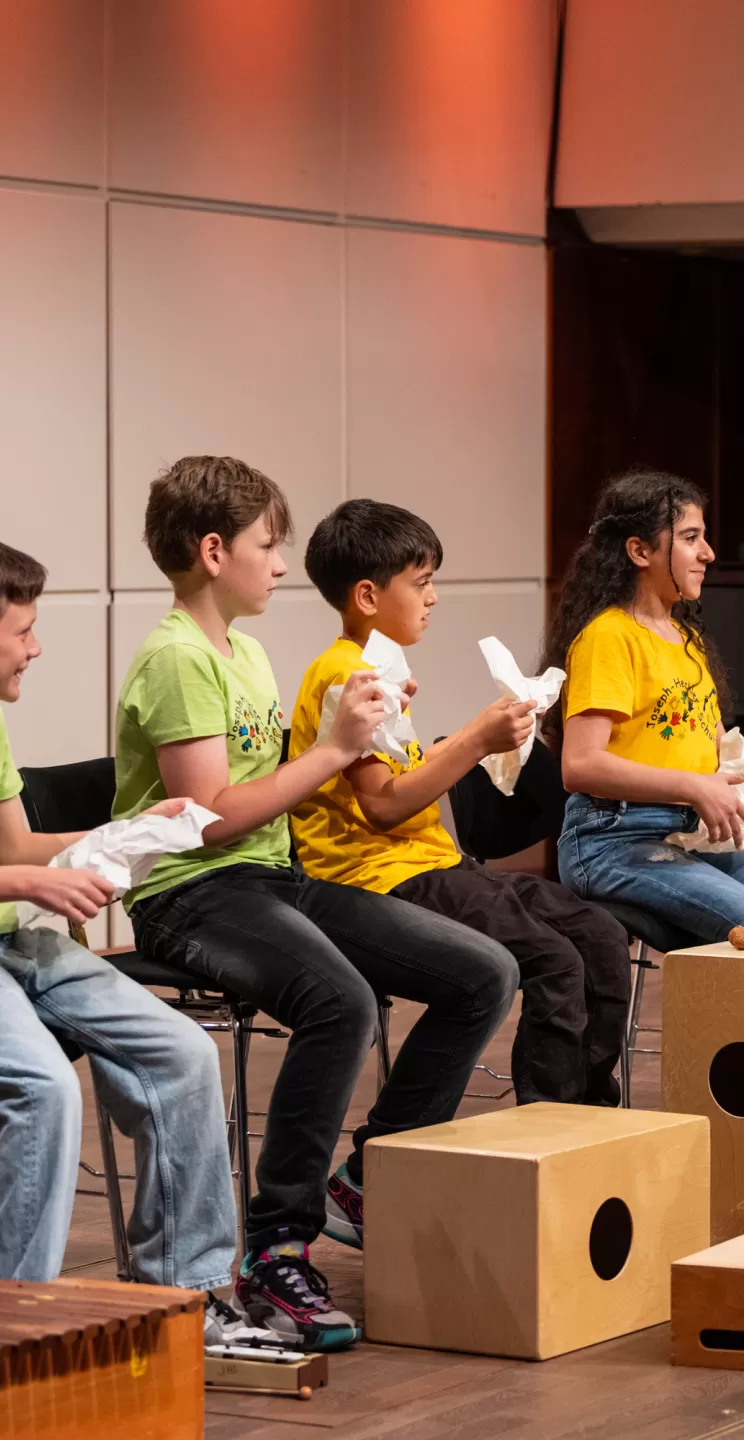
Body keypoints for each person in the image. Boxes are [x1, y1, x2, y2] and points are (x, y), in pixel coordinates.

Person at [115, 457, 517, 1349]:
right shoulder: (178, 658)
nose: (282, 564)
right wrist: (338, 747)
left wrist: (368, 729)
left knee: (484, 972)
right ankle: (277, 1248)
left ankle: (369, 1177)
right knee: (340, 1000)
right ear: (213, 551)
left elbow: (275, 797)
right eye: (268, 545)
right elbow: (207, 823)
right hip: (191, 894)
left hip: (270, 876)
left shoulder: (247, 651)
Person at [0, 540, 279, 1353]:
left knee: (181, 1052)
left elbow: (14, 847)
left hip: (21, 942)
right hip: (17, 924)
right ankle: (21, 1322)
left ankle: (184, 1297)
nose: (37, 647)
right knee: (44, 1090)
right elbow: (19, 876)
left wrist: (119, 833)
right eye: (22, 631)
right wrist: (28, 886)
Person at [291, 499, 634, 1113]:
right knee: (554, 960)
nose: (433, 597)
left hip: (433, 865)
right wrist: (475, 741)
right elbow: (384, 808)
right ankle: (552, 1128)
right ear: (368, 596)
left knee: (600, 934)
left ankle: (588, 1114)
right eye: (421, 583)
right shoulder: (347, 677)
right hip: (380, 878)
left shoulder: (377, 668)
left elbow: (400, 781)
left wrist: (471, 744)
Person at [549, 469, 744, 946]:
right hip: (612, 840)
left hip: (689, 834)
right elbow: (580, 765)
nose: (708, 553)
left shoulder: (684, 639)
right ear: (639, 551)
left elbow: (706, 755)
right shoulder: (609, 636)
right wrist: (692, 786)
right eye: (690, 538)